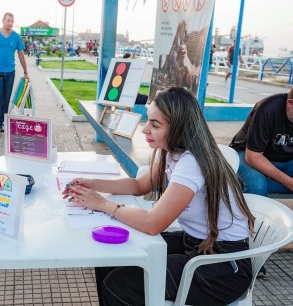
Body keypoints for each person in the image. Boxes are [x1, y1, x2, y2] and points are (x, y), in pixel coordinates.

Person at [63, 87, 255, 306]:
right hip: (196, 244)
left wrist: (103, 205)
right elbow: (139, 185)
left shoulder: (192, 163)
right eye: (148, 121)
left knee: (119, 285)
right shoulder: (172, 152)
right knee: (109, 256)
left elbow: (152, 223)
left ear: (179, 129)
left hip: (222, 267)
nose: (145, 130)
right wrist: (94, 184)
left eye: (155, 125)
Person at [229, 88, 293, 196]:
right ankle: (242, 185)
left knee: (264, 185)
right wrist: (289, 182)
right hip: (246, 153)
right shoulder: (267, 109)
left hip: (285, 159)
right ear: (290, 104)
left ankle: (255, 183)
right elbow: (253, 157)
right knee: (257, 186)